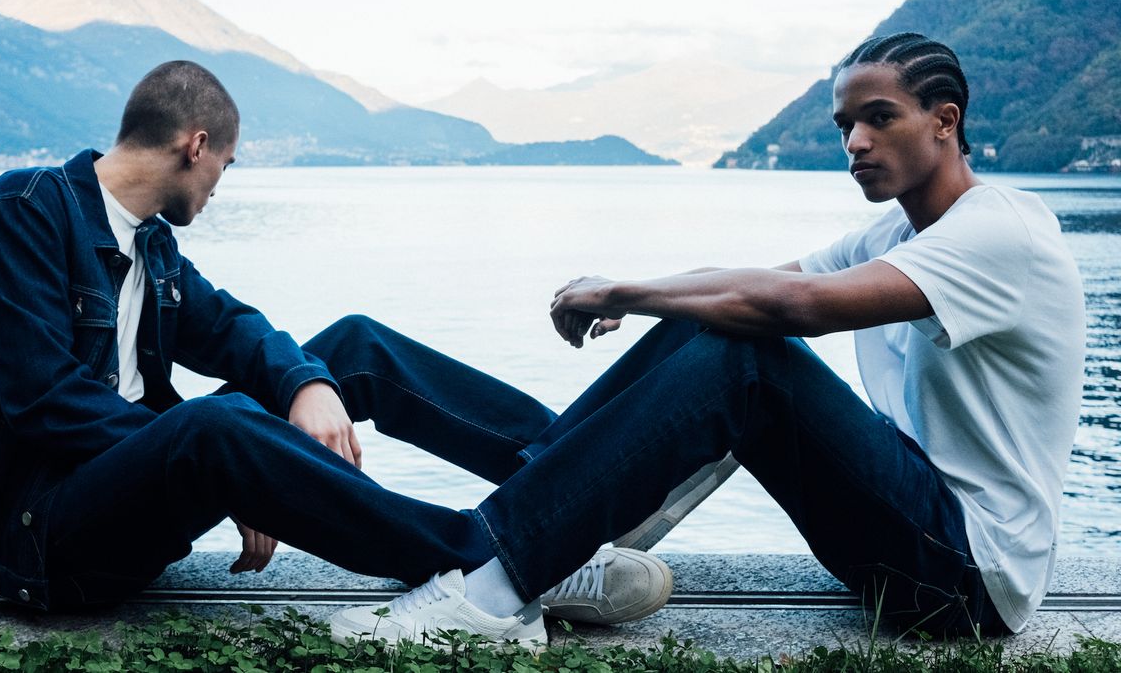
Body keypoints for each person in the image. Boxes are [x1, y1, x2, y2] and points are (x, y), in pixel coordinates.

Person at [330, 32, 1085, 646]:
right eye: (844, 124)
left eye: (879, 118)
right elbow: (749, 282)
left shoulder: (999, 233)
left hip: (967, 578)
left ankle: (495, 592)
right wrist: (641, 290)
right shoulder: (895, 231)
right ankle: (557, 539)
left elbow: (794, 303)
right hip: (908, 536)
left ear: (945, 121)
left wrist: (623, 293)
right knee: (718, 319)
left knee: (746, 350)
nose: (854, 141)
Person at [0, 60, 672, 628]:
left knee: (351, 350)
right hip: (40, 538)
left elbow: (233, 327)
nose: (219, 186)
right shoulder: (23, 213)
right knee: (222, 421)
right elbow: (45, 403)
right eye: (225, 166)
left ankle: (568, 478)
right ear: (195, 144)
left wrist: (306, 386)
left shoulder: (151, 248)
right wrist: (233, 461)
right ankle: (493, 555)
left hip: (124, 490)